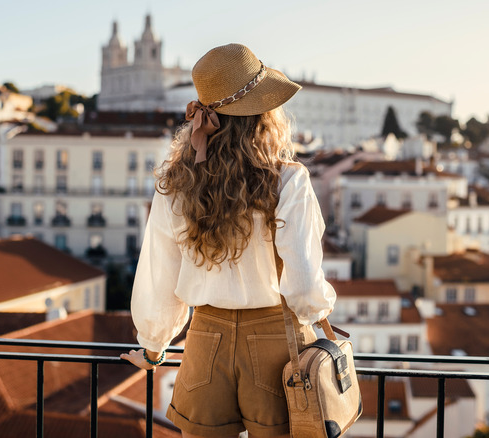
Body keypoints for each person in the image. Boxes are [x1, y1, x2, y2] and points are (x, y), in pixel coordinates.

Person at [121, 43, 336, 438]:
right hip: (277, 344)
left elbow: (159, 275)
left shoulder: (176, 184)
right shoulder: (289, 180)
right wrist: (322, 313)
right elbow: (304, 282)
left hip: (204, 342)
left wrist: (153, 347)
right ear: (265, 114)